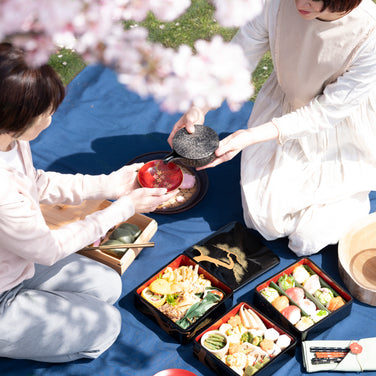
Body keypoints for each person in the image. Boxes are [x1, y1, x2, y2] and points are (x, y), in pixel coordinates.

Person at [0, 42, 177, 363]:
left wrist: (108, 184)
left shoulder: (9, 139)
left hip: (16, 263)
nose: (51, 120)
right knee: (105, 325)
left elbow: (36, 182)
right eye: (45, 114)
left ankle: (32, 306)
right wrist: (124, 208)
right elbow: (47, 249)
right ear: (15, 116)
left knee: (107, 285)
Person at [168, 0, 376, 257]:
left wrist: (250, 136)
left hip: (336, 128)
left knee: (306, 239)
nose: (299, 3)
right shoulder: (277, 3)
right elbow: (237, 61)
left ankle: (350, 197)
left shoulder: (370, 33)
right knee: (265, 223)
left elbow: (323, 113)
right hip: (284, 108)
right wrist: (200, 106)